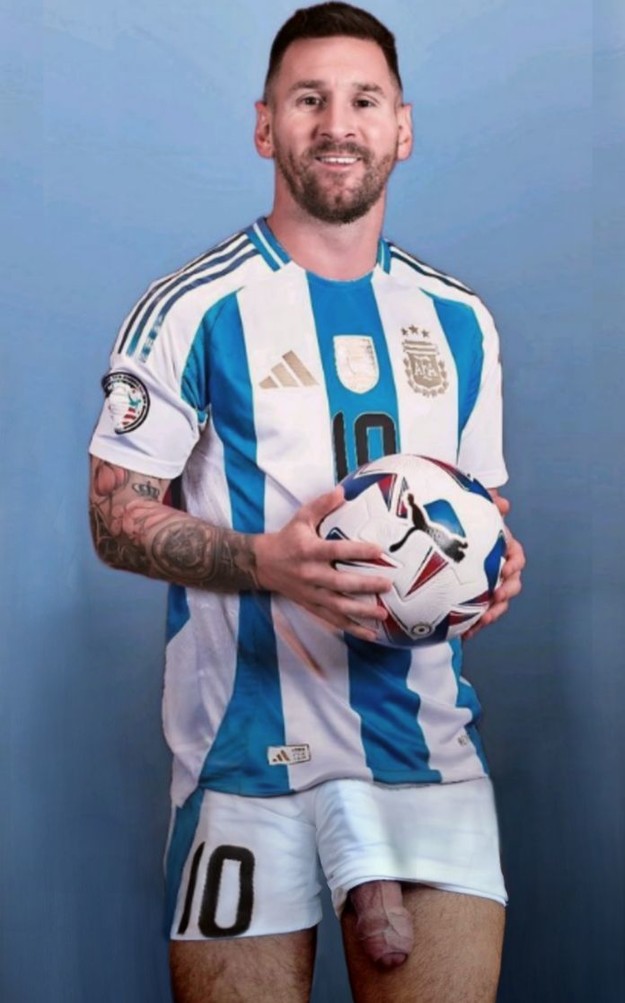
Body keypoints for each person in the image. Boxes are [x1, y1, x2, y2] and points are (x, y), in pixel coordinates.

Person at [89, 4, 525, 1001]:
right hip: (247, 763)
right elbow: (112, 516)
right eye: (308, 99)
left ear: (401, 129)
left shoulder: (460, 321)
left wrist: (495, 566)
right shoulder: (191, 309)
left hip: (426, 757)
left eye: (364, 100)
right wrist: (264, 562)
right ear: (264, 126)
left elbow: (478, 511)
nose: (337, 123)